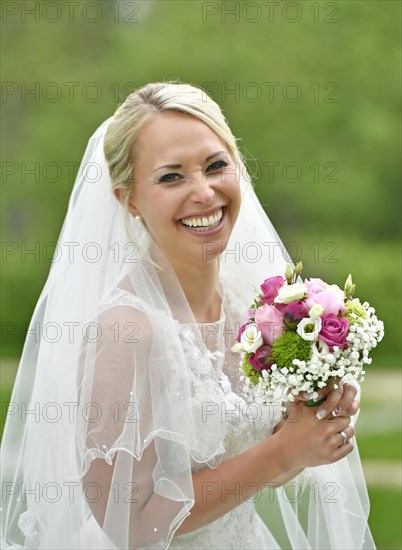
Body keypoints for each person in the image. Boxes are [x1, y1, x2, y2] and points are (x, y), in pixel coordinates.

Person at [1, 82, 375, 549]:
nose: (204, 192)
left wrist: (307, 431)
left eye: (216, 166)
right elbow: (129, 524)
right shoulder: (125, 330)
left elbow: (257, 469)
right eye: (171, 177)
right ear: (129, 199)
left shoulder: (252, 307)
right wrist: (279, 453)